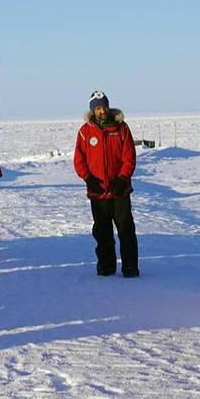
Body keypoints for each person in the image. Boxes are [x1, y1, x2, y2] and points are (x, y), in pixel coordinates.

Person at [73, 90, 139, 277]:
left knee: (126, 229)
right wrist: (88, 178)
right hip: (98, 192)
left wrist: (122, 179)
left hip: (120, 191)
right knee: (102, 232)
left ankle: (130, 268)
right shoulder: (85, 132)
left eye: (104, 107)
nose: (102, 111)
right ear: (93, 110)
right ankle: (106, 267)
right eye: (98, 108)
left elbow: (129, 157)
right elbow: (79, 160)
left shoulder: (121, 128)